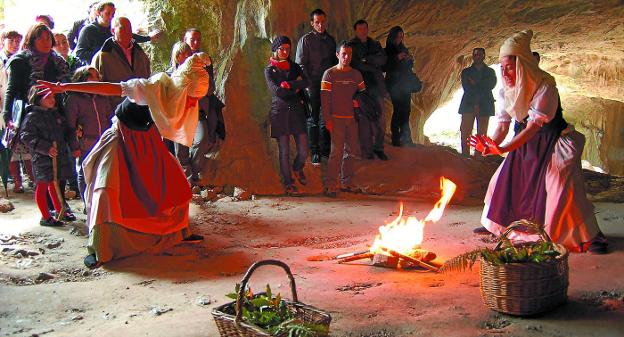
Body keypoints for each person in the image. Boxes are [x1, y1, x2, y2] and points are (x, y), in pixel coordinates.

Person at [36, 52, 211, 267]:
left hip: (147, 140)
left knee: (176, 187)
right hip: (122, 136)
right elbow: (110, 88)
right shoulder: (152, 87)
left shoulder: (180, 97)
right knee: (106, 191)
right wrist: (65, 87)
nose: (193, 103)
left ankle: (179, 232)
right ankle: (101, 246)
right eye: (192, 98)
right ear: (183, 90)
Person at [470, 30, 608, 254]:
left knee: (559, 185)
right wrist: (490, 146)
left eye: (509, 67)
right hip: (525, 143)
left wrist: (503, 148)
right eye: (501, 68)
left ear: (522, 65)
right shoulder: (507, 91)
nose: (504, 73)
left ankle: (589, 236)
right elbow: (503, 125)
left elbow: (535, 126)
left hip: (554, 141)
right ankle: (501, 228)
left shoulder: (545, 87)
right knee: (502, 180)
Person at [2, 24, 69, 195]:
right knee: (43, 163)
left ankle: (60, 203)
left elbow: (65, 90)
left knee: (59, 162)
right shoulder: (20, 61)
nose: (46, 42)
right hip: (33, 119)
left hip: (56, 116)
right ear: (32, 39)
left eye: (48, 38)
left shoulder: (58, 62)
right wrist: (7, 114)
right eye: (41, 38)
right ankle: (48, 207)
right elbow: (11, 90)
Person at [20, 86, 79, 227]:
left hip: (58, 156)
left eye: (53, 97)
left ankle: (60, 211)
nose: (52, 100)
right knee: (42, 185)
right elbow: (26, 136)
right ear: (38, 99)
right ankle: (45, 216)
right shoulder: (32, 117)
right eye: (48, 97)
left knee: (55, 183)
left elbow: (65, 129)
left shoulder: (55, 115)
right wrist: (45, 148)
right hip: (42, 158)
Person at [265, 35, 309, 196]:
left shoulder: (295, 67)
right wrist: (295, 88)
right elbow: (277, 91)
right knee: (283, 151)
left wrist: (289, 84)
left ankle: (297, 167)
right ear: (275, 50)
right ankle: (288, 182)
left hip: (297, 111)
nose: (285, 51)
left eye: (287, 49)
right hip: (280, 113)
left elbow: (306, 82)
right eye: (281, 48)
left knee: (304, 149)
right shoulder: (269, 70)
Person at [64, 66, 114, 207]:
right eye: (92, 76)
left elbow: (110, 116)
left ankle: (100, 203)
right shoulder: (74, 99)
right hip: (85, 142)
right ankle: (88, 203)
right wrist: (74, 145)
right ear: (83, 79)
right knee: (85, 172)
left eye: (97, 76)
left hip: (103, 140)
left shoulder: (102, 97)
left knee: (102, 171)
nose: (96, 79)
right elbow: (70, 125)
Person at [321, 41, 365, 197]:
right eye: (343, 54)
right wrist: (327, 119)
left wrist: (357, 102)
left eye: (349, 54)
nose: (347, 57)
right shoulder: (330, 74)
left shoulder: (356, 74)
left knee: (351, 152)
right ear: (337, 55)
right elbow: (324, 99)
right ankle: (331, 185)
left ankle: (347, 182)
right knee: (336, 152)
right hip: (336, 118)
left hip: (351, 119)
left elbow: (363, 93)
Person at [295, 8, 337, 165]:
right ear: (312, 24)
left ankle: (325, 149)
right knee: (312, 118)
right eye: (317, 22)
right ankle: (315, 151)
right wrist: (308, 84)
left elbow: (334, 62)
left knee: (326, 117)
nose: (320, 25)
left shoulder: (331, 40)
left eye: (323, 21)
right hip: (312, 84)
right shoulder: (306, 40)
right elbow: (300, 64)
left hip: (327, 84)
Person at [349, 19, 388, 160]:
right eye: (360, 29)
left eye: (365, 28)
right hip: (361, 89)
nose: (363, 31)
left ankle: (379, 148)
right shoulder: (351, 46)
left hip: (376, 87)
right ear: (355, 31)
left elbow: (383, 60)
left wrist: (369, 59)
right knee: (364, 121)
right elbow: (356, 65)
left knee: (381, 120)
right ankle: (367, 152)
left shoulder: (375, 44)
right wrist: (372, 64)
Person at [92, 16, 151, 108]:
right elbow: (98, 88)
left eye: (130, 28)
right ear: (112, 31)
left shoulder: (140, 53)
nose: (127, 32)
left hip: (142, 107)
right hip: (118, 110)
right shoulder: (102, 57)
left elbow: (147, 77)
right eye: (122, 28)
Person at [458, 47, 497, 156]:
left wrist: (475, 83)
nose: (477, 57)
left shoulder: (490, 72)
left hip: (484, 106)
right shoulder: (466, 72)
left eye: (479, 54)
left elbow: (491, 85)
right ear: (473, 56)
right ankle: (465, 156)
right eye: (475, 55)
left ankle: (478, 157)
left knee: (482, 133)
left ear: (484, 56)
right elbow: (467, 87)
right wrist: (481, 85)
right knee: (465, 131)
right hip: (468, 105)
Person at [384, 26, 416, 147]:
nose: (399, 39)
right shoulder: (387, 50)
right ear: (392, 37)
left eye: (401, 37)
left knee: (406, 111)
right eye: (397, 36)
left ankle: (406, 138)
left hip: (405, 84)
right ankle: (396, 138)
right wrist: (397, 58)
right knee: (398, 110)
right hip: (394, 85)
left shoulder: (404, 49)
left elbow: (408, 67)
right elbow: (385, 67)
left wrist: (410, 60)